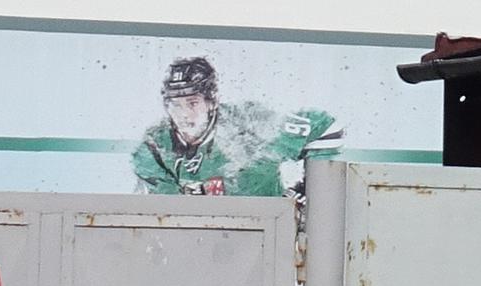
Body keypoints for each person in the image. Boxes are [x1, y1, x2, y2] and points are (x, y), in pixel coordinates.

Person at [130, 56, 338, 196]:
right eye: (175, 105)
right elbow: (162, 215)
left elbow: (324, 126)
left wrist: (313, 194)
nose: (183, 114)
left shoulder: (249, 122)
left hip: (268, 241)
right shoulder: (154, 148)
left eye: (192, 103)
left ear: (211, 101)